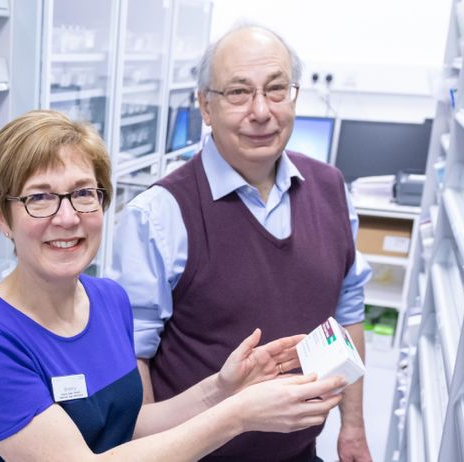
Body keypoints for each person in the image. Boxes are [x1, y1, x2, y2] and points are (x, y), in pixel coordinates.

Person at [0, 110, 346, 461]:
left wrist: (223, 389)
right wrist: (238, 415)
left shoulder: (108, 300)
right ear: (2, 216)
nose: (67, 218)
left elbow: (129, 426)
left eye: (84, 193)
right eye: (40, 198)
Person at [111, 25, 374, 462]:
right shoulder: (159, 213)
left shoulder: (331, 189)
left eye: (276, 90)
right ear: (205, 106)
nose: (261, 111)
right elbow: (134, 356)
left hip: (300, 453)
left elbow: (348, 315)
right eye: (238, 92)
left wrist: (353, 428)